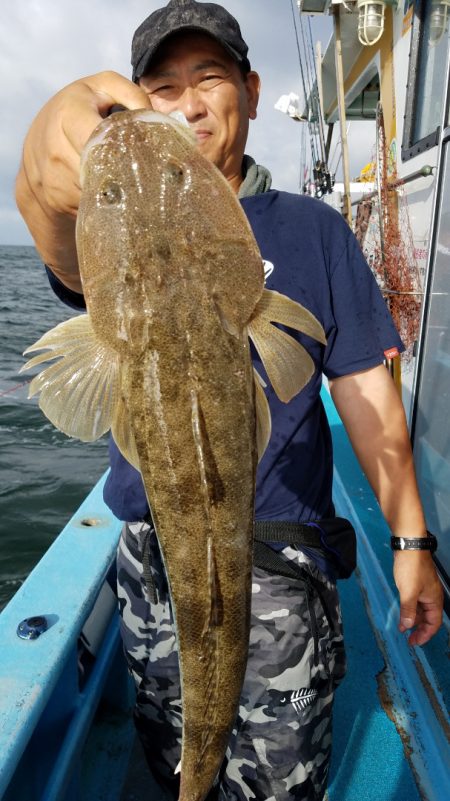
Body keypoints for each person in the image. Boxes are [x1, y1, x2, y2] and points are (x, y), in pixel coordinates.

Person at [16, 2, 443, 799]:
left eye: (209, 77)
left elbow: (365, 393)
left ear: (249, 89)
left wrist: (412, 542)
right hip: (155, 566)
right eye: (161, 86)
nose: (187, 102)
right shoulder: (105, 232)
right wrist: (39, 170)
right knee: (175, 751)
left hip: (281, 561)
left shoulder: (312, 230)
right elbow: (59, 240)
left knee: (278, 779)